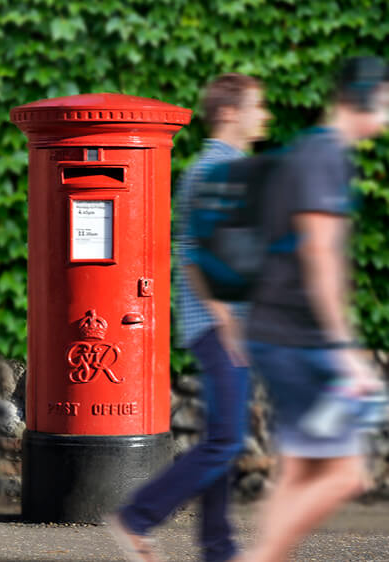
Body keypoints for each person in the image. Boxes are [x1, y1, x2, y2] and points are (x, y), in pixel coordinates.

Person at [107, 73, 271, 562]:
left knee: (221, 438)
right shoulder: (216, 170)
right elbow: (195, 253)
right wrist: (227, 320)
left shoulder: (231, 167)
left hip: (228, 324)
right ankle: (137, 518)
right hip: (220, 327)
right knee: (224, 441)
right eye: (257, 106)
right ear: (229, 113)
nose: (264, 115)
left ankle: (217, 548)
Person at [243, 56, 389, 562]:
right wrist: (343, 345)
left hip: (276, 331)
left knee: (303, 470)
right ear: (366, 96)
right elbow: (319, 251)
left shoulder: (311, 151)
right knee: (347, 474)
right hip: (300, 338)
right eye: (387, 99)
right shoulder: (325, 155)